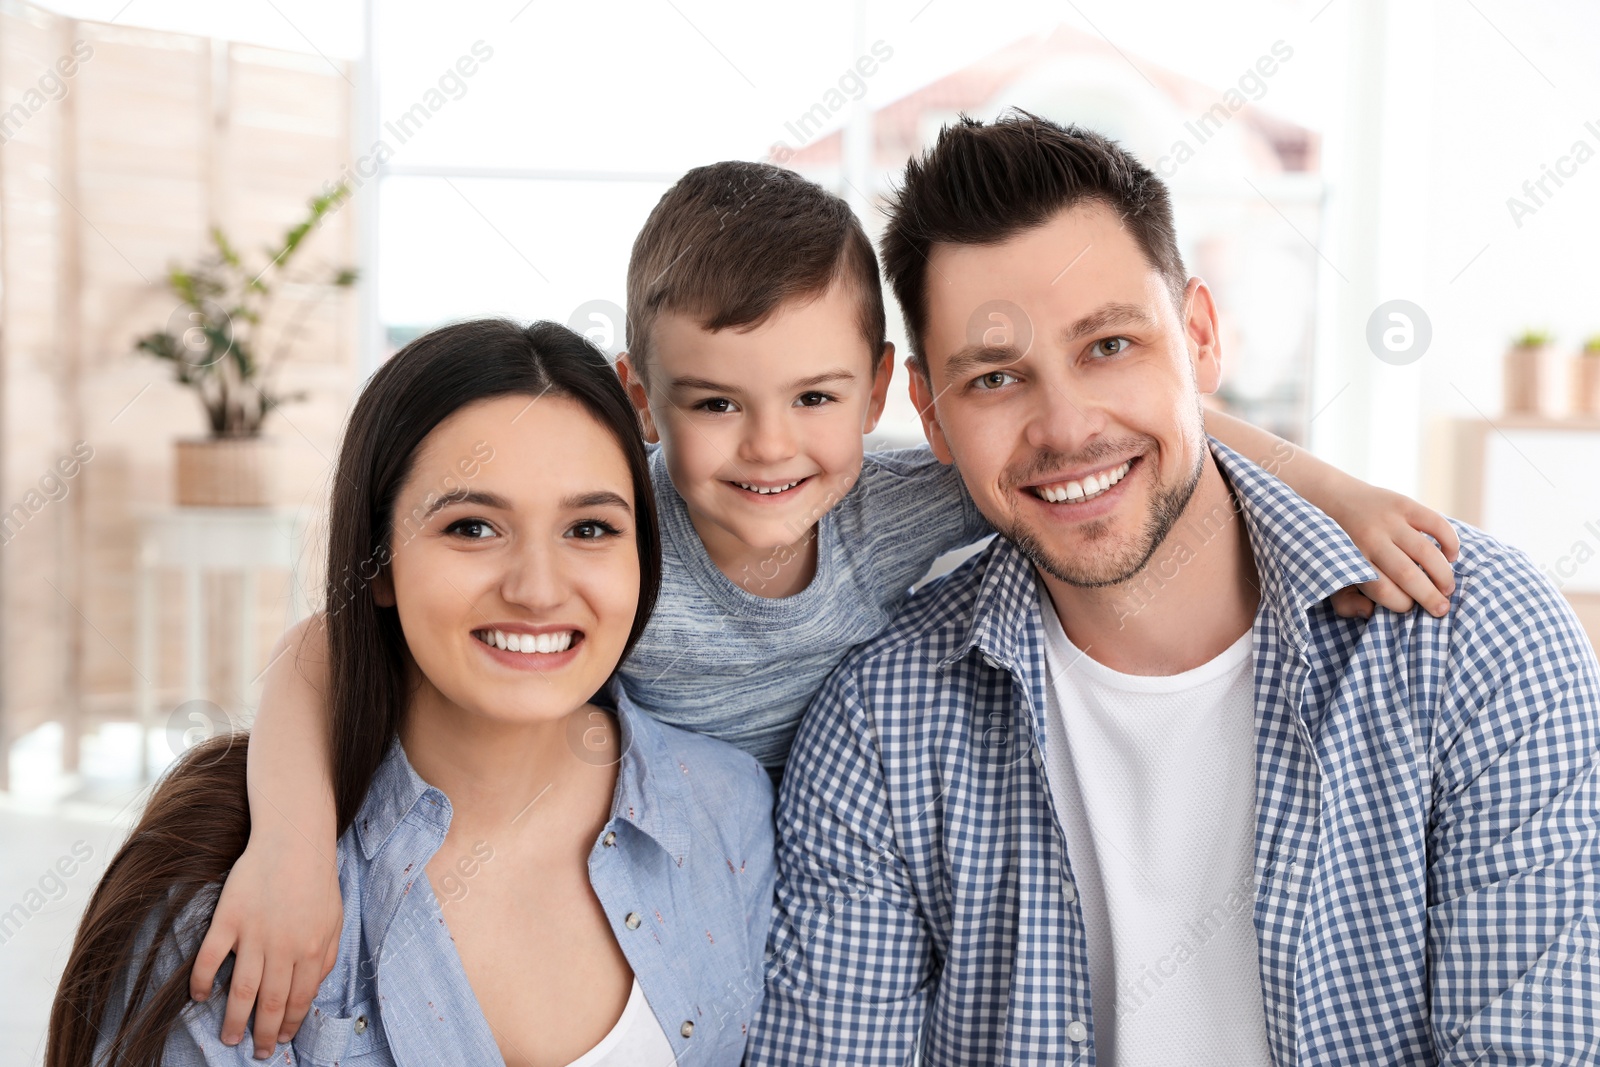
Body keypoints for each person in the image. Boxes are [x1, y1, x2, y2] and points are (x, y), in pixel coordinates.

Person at [199, 162, 1461, 1056]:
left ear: (877, 395)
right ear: (641, 398)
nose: (769, 451)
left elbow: (1121, 424)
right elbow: (329, 638)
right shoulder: (607, 527)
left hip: (793, 876)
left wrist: (1330, 486)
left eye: (813, 398)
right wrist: (292, 842)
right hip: (635, 847)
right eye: (713, 403)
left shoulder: (899, 503)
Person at [748, 112, 1600, 1066]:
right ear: (930, 416)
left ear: (1198, 338)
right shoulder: (878, 727)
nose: (1066, 429)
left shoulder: (1474, 638)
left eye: (1109, 345)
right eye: (994, 379)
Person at [48, 320, 774, 1066]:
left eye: (589, 528)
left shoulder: (727, 808)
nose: (537, 588)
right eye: (472, 526)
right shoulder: (225, 903)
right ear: (380, 563)